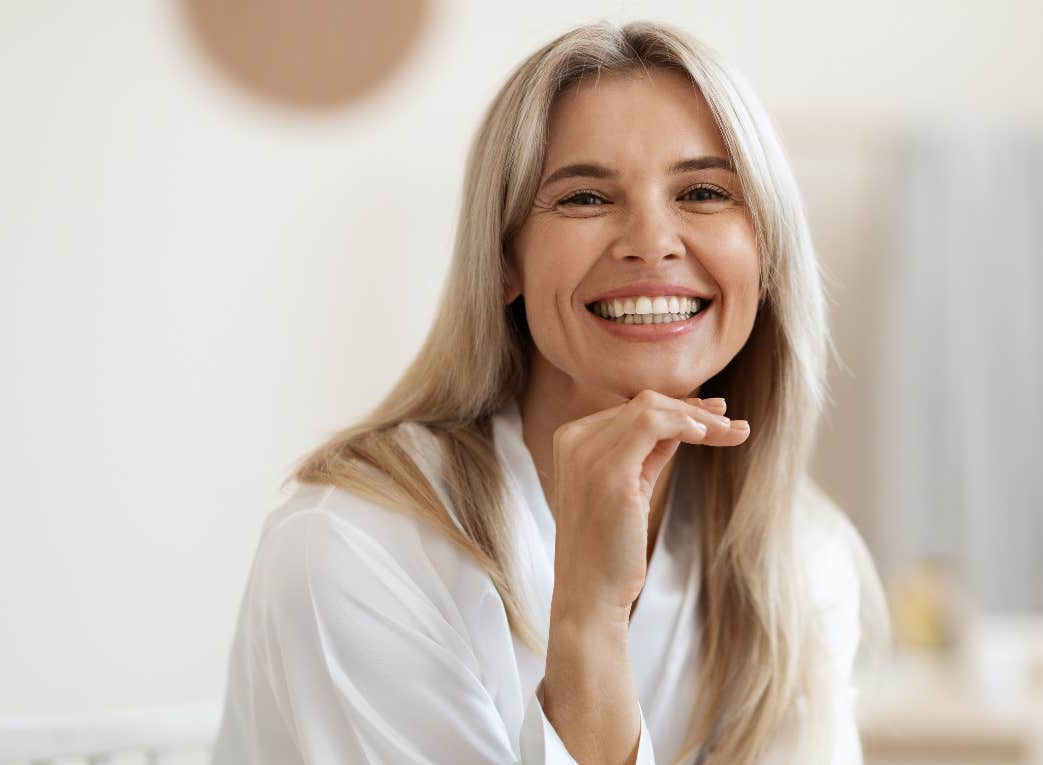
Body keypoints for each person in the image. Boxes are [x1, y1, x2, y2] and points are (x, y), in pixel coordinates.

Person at [212, 20, 887, 765]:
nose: (652, 240)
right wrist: (589, 623)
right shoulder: (355, 549)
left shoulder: (796, 560)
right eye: (586, 198)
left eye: (702, 191)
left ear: (765, 258)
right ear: (505, 261)